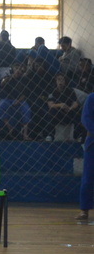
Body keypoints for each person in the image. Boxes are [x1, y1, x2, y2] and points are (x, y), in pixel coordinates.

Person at [0, 62, 32, 140]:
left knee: (27, 110)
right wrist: (6, 80)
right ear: (12, 70)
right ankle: (10, 129)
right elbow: (2, 84)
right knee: (0, 106)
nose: (18, 70)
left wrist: (18, 101)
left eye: (20, 69)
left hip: (20, 100)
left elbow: (25, 94)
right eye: (16, 68)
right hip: (7, 99)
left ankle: (25, 134)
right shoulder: (7, 78)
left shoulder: (24, 80)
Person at [45, 73, 79, 141]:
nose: (60, 81)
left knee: (78, 112)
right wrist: (60, 105)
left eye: (62, 80)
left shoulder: (70, 90)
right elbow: (50, 104)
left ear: (65, 81)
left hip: (68, 112)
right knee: (51, 111)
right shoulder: (52, 90)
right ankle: (50, 135)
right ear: (56, 81)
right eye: (59, 79)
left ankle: (77, 136)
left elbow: (76, 103)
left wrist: (70, 108)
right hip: (58, 112)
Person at [76, 93, 94, 223]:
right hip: (93, 142)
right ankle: (84, 209)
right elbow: (85, 118)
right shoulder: (92, 98)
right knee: (88, 176)